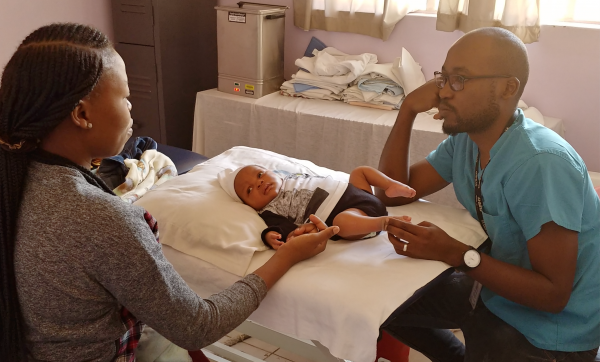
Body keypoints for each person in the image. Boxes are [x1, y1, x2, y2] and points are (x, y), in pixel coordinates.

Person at [0, 23, 339, 362]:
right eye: (125, 97)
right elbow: (195, 327)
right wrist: (287, 255)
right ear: (82, 114)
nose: (131, 108)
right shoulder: (104, 221)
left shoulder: (18, 175)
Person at [375, 27, 600, 361]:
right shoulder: (467, 141)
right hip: (497, 292)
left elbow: (553, 295)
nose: (443, 93)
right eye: (443, 77)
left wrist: (454, 252)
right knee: (387, 303)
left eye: (460, 79)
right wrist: (407, 109)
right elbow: (394, 194)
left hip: (551, 332)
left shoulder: (540, 163)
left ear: (508, 88)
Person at [218, 164, 415, 249]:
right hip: (349, 214)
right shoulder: (269, 210)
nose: (259, 183)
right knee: (341, 224)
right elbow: (282, 229)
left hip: (356, 192)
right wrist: (269, 236)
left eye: (260, 175)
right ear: (248, 205)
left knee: (360, 171)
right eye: (249, 190)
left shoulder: (288, 176)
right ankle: (382, 223)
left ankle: (390, 185)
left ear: (271, 171)